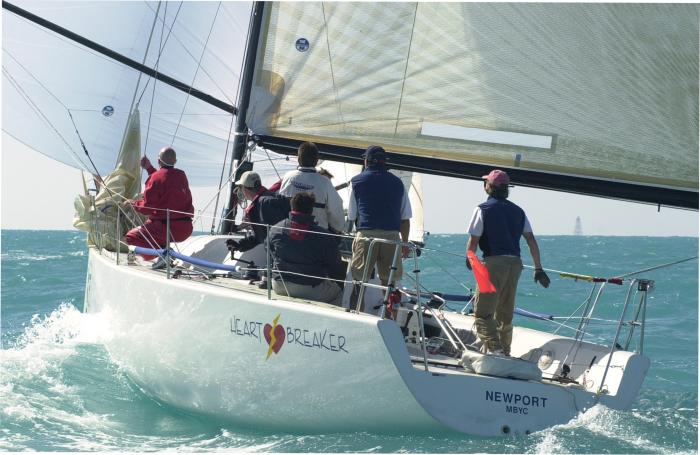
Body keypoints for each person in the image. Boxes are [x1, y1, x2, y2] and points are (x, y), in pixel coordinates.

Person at [465, 169, 550, 356]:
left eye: (485, 183)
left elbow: (473, 242)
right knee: (505, 313)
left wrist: (470, 258)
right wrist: (538, 268)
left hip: (494, 263)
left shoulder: (482, 209)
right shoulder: (519, 211)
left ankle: (495, 350)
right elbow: (531, 240)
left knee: (483, 313)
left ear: (490, 187)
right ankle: (505, 350)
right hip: (515, 265)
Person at [347, 145, 412, 311]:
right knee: (389, 285)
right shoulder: (398, 184)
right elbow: (405, 219)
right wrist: (404, 243)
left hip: (366, 236)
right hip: (391, 237)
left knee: (359, 284)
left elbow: (352, 216)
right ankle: (392, 321)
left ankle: (356, 318)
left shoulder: (357, 182)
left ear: (366, 161)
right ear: (385, 163)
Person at [268, 192, 345, 306]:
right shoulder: (323, 235)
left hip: (280, 285)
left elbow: (269, 252)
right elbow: (335, 265)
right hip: (310, 289)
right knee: (338, 294)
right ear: (311, 209)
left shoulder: (275, 229)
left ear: (292, 206)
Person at [124, 147, 194, 262]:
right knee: (153, 233)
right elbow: (165, 179)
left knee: (131, 237)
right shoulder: (182, 175)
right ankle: (164, 252)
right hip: (185, 229)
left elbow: (146, 209)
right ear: (175, 161)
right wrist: (149, 168)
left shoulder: (155, 178)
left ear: (158, 161)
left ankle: (161, 256)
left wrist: (133, 203)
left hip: (164, 229)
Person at [278, 142, 345, 233]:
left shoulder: (288, 177)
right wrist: (338, 229)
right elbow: (336, 209)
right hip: (316, 234)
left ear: (298, 159)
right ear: (317, 160)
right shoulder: (325, 182)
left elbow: (280, 204)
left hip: (289, 233)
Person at [226, 171, 290, 254]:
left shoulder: (265, 203)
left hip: (282, 255)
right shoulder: (267, 199)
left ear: (245, 188)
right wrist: (240, 245)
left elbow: (277, 234)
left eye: (240, 187)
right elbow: (261, 234)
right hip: (284, 253)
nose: (240, 191)